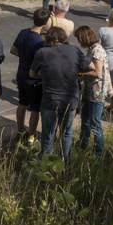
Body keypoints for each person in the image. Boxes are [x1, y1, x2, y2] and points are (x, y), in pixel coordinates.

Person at [30, 27, 85, 161]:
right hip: (71, 100)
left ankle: (46, 164)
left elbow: (32, 73)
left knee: (48, 133)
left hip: (50, 99)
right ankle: (66, 162)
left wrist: (45, 74)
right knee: (66, 133)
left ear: (51, 39)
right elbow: (90, 68)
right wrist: (75, 74)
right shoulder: (75, 50)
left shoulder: (42, 52)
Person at [12, 8, 49, 143]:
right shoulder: (40, 42)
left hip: (21, 74)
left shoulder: (23, 32)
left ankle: (20, 131)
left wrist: (24, 56)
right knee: (35, 109)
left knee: (22, 103)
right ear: (46, 22)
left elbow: (13, 50)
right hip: (34, 79)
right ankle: (31, 136)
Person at [76, 26, 112, 157]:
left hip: (97, 92)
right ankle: (82, 144)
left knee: (95, 123)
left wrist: (81, 73)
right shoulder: (92, 49)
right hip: (90, 90)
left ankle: (98, 152)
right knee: (85, 119)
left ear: (84, 38)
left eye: (79, 39)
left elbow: (97, 72)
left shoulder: (97, 51)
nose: (79, 42)